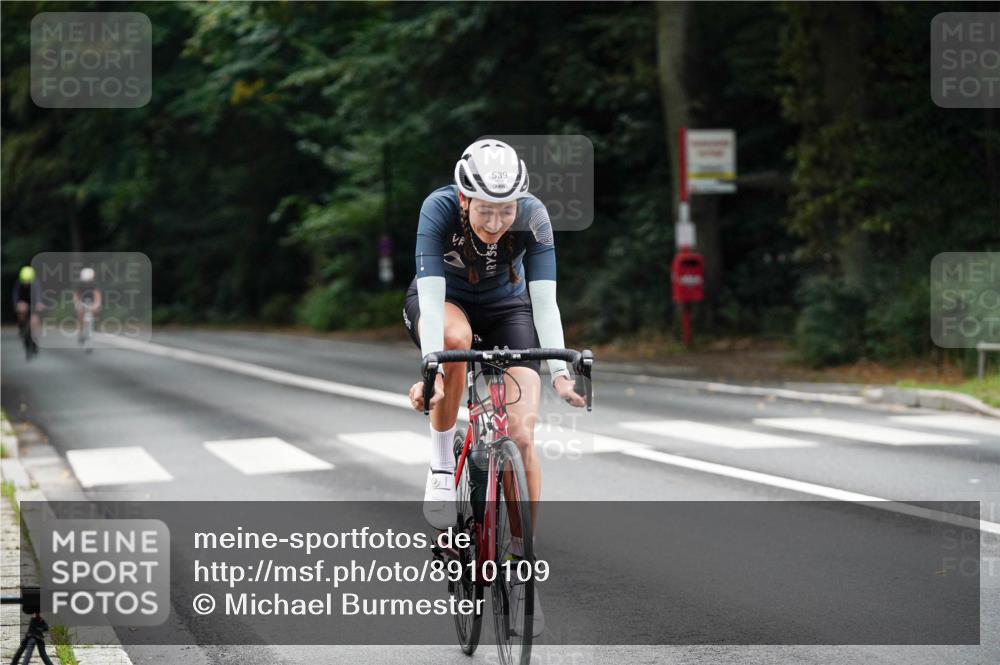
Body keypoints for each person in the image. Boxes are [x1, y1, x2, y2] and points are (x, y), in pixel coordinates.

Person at [404, 140, 585, 636]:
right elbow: (434, 290)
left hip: (508, 310)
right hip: (446, 304)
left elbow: (544, 301)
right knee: (456, 341)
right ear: (465, 199)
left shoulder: (534, 215)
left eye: (506, 211)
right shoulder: (438, 208)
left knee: (522, 435)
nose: (495, 222)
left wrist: (560, 373)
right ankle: (443, 462)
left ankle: (519, 565)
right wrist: (432, 367)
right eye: (485, 210)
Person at [11, 266, 42, 357]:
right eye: (24, 281)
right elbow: (15, 295)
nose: (26, 283)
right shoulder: (18, 283)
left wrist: (39, 303)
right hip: (23, 302)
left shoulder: (35, 283)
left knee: (34, 321)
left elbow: (39, 295)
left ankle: (34, 338)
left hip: (33, 303)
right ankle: (22, 326)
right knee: (21, 309)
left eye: (28, 281)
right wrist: (16, 304)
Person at [73, 267, 102, 345]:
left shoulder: (95, 284)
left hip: (93, 300)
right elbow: (76, 295)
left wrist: (96, 304)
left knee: (96, 310)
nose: (87, 282)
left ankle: (96, 324)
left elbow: (97, 295)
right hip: (82, 300)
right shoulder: (79, 284)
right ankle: (81, 332)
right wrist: (77, 303)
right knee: (80, 313)